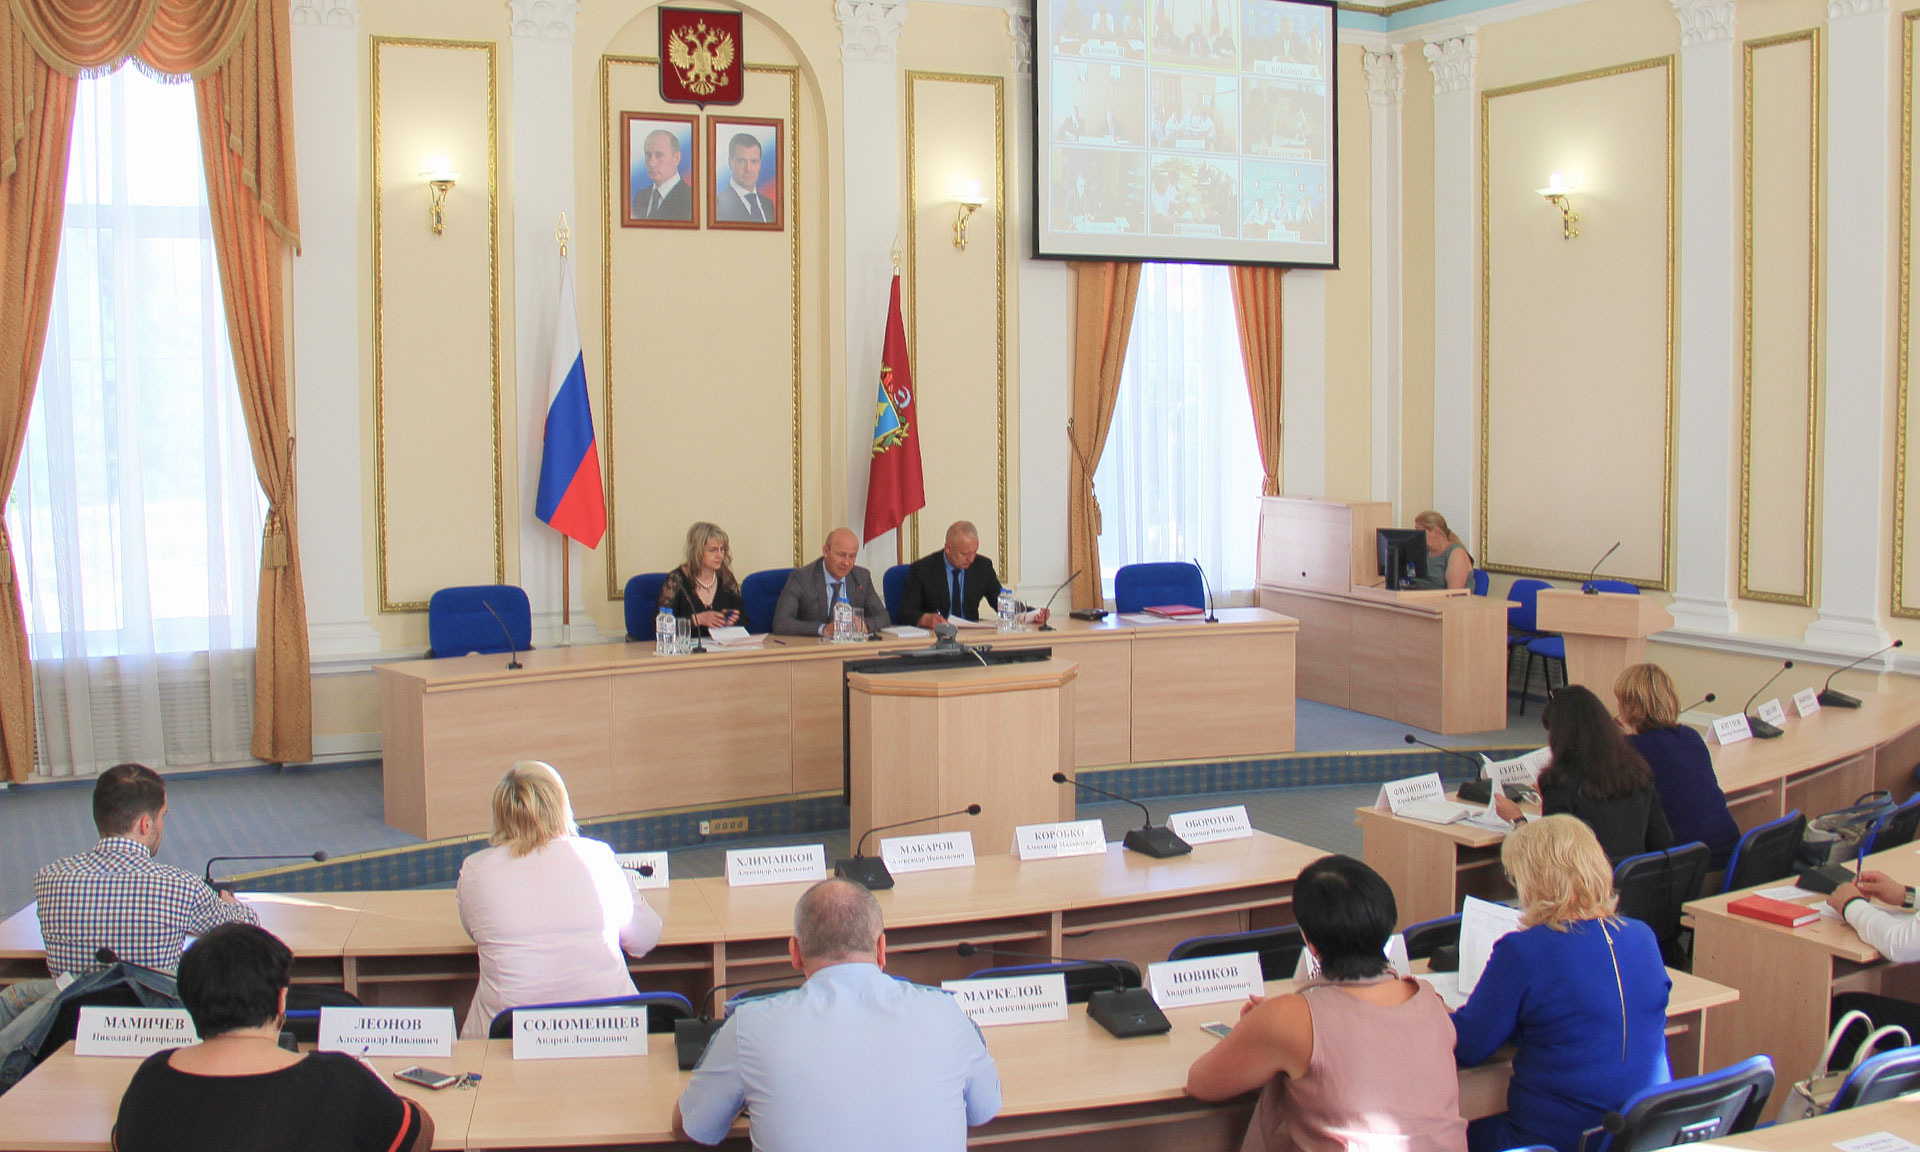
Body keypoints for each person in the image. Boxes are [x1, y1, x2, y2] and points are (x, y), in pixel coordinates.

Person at [673, 878, 1000, 1150]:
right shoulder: (946, 1014)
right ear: (882, 948)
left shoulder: (749, 1027)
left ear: (795, 953)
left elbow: (691, 1125)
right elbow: (984, 1110)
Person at [1186, 855, 1467, 1152]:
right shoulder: (1429, 1000)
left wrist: (1262, 1027)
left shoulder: (1286, 1018)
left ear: (1310, 942)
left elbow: (1201, 1083)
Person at [2, 763, 261, 1050]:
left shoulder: (49, 879)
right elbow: (247, 932)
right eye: (162, 817)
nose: (163, 825)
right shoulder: (180, 886)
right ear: (145, 824)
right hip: (158, 1037)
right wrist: (231, 904)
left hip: (68, 1037)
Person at [1452, 816, 1672, 1152]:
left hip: (1554, 1140)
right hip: (1641, 1136)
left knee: (1448, 1132)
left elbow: (1469, 1045)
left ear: (1533, 881)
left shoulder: (1524, 950)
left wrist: (1431, 1010)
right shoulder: (1642, 935)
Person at [112, 922, 433, 1152]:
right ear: (281, 1000)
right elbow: (416, 1133)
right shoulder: (339, 1078)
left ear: (189, 1000)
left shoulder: (151, 1079)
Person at [456, 761, 663, 1039]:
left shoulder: (474, 870)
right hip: (608, 1033)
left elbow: (474, 931)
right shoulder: (598, 857)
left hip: (507, 1039)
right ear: (561, 807)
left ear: (500, 814)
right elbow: (644, 939)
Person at [1494, 685, 1674, 866]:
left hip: (1586, 881)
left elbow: (1552, 856)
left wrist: (1518, 820)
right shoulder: (1638, 772)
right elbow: (1662, 841)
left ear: (1561, 737)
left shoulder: (1559, 782)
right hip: (1632, 880)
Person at [1615, 663, 1739, 870]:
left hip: (1687, 870)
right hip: (1729, 860)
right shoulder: (1691, 737)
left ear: (1628, 707)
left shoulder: (1630, 749)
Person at [897, 520, 1048, 629]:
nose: (971, 559)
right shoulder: (922, 569)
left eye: (974, 552)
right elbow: (904, 613)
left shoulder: (982, 566)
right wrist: (925, 619)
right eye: (965, 554)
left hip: (972, 637)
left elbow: (1001, 602)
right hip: (937, 638)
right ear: (948, 548)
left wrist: (1034, 613)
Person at [771, 527, 890, 637]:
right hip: (814, 648)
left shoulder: (861, 577)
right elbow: (781, 623)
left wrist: (864, 625)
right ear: (826, 551)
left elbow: (883, 617)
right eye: (841, 555)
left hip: (851, 647)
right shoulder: (802, 578)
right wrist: (824, 629)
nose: (846, 563)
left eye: (852, 556)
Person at [659, 521, 748, 637]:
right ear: (696, 552)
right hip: (687, 647)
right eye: (712, 550)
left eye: (722, 549)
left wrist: (730, 620)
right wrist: (698, 619)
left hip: (720, 646)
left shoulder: (726, 577)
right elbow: (662, 626)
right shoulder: (676, 580)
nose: (720, 555)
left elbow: (744, 619)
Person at [631, 128, 692, 222]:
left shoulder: (691, 199)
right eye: (648, 155)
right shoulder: (640, 197)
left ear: (676, 158)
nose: (652, 163)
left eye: (659, 155)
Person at [1404, 510, 1472, 590]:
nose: (1416, 536)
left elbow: (1454, 592)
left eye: (1420, 532)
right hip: (1415, 595)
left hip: (1439, 598)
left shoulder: (1456, 553)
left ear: (1436, 531)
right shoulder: (1423, 551)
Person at [716, 133, 774, 223]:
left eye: (754, 161)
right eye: (741, 161)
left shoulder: (768, 205)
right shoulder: (719, 206)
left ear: (760, 164)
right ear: (730, 163)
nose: (748, 169)